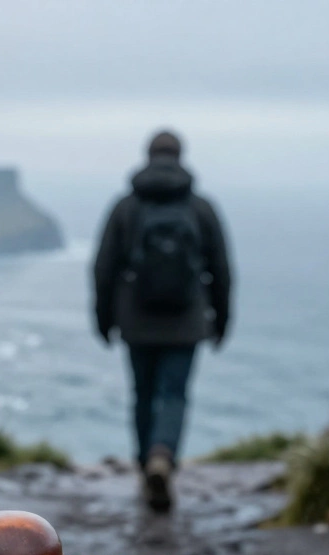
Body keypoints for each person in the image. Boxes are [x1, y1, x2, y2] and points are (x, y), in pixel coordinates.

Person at [93, 130, 233, 512]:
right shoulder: (201, 207)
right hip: (187, 322)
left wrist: (103, 318)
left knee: (142, 394)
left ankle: (144, 466)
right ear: (180, 156)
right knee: (174, 393)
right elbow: (221, 268)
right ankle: (162, 456)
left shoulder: (126, 207)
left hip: (136, 321)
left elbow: (103, 268)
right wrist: (221, 319)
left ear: (148, 156)